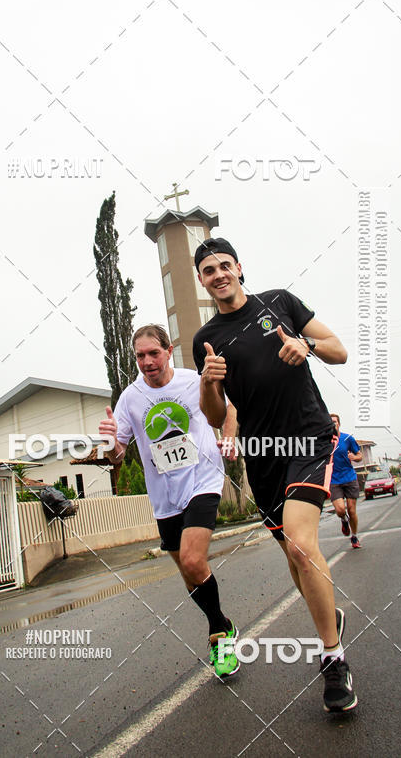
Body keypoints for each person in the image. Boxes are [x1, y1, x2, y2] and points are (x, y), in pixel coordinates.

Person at [192, 237, 357, 713]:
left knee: (304, 547)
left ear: (239, 267)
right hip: (262, 455)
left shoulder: (280, 302)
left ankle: (333, 659)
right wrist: (208, 382)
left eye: (224, 265)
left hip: (307, 437)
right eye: (209, 270)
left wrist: (306, 346)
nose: (219, 274)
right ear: (202, 281)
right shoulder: (207, 339)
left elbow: (339, 350)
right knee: (294, 556)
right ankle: (328, 614)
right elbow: (214, 414)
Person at [98, 323, 240, 680]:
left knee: (193, 559)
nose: (147, 361)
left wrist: (228, 437)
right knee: (189, 574)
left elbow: (229, 408)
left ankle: (220, 637)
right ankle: (222, 621)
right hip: (164, 496)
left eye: (153, 353)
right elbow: (118, 456)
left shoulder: (193, 381)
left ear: (169, 350)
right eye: (140, 356)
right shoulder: (130, 398)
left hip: (203, 480)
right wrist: (111, 442)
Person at [328, 414, 362, 549]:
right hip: (334, 480)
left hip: (349, 478)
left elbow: (359, 455)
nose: (333, 424)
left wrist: (354, 457)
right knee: (340, 510)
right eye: (330, 422)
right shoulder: (324, 441)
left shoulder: (347, 438)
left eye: (335, 422)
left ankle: (354, 536)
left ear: (339, 424)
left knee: (352, 511)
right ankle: (343, 520)